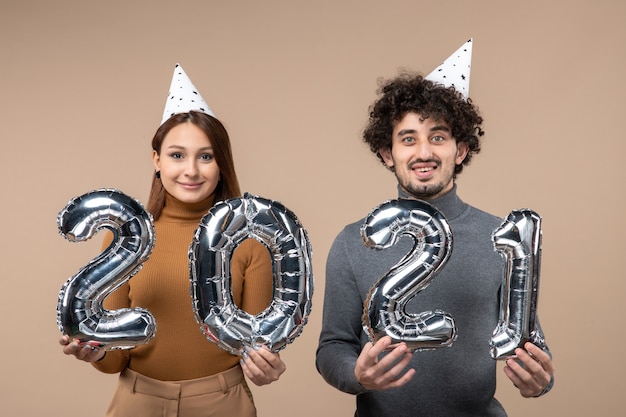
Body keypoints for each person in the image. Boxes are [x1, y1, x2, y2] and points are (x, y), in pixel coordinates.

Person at [315, 40, 555, 417]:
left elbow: (528, 339)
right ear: (386, 153)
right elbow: (332, 348)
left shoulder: (503, 239)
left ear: (460, 150)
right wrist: (358, 375)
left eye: (438, 137)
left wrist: (541, 380)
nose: (423, 152)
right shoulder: (351, 242)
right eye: (408, 138)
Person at [59, 64, 285, 417]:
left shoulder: (251, 243)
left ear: (221, 165)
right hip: (138, 400)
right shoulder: (124, 240)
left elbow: (255, 345)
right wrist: (97, 351)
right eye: (177, 155)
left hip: (222, 402)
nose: (191, 170)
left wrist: (265, 367)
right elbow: (114, 360)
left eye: (206, 156)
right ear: (157, 160)